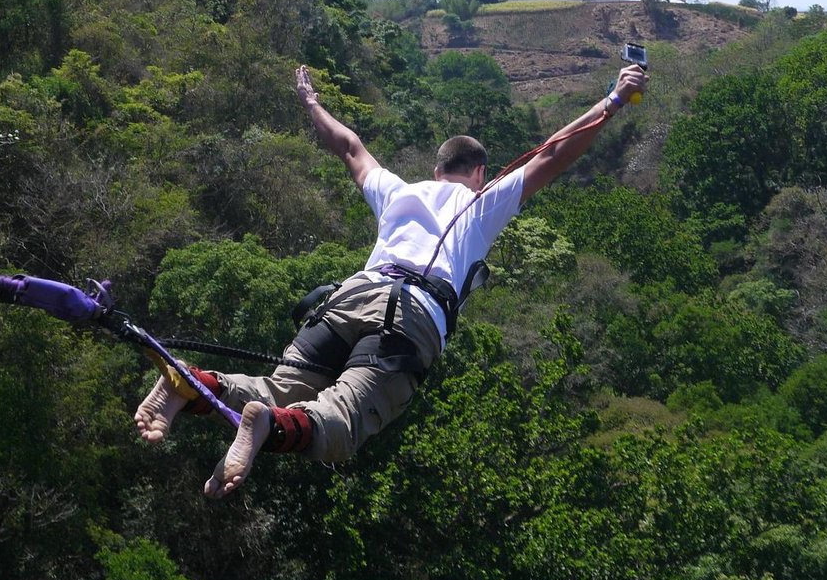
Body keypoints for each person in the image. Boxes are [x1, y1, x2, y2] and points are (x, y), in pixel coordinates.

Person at [134, 60, 648, 498]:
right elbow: (554, 152)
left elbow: (350, 146)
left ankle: (195, 384)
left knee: (279, 387)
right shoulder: (479, 203)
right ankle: (263, 422)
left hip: (345, 300)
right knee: (345, 420)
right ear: (479, 171)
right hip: (409, 315)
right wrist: (615, 99)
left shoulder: (398, 191)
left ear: (437, 167)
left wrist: (311, 102)